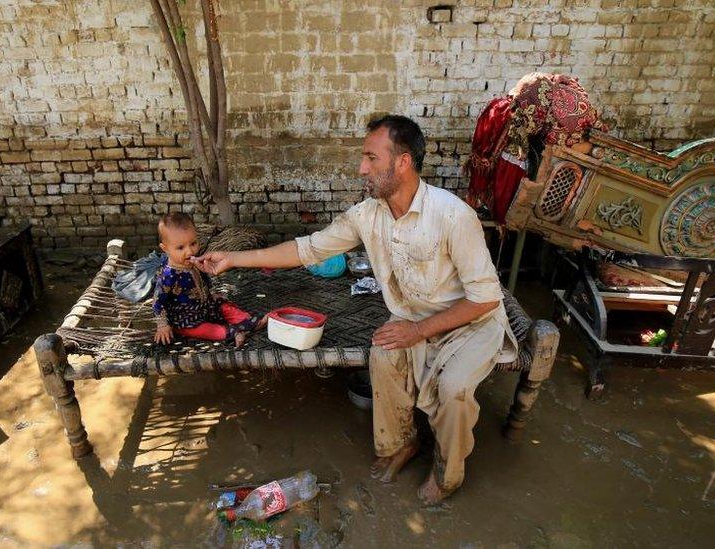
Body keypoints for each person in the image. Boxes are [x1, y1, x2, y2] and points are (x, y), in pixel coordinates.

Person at [193, 115, 517, 505]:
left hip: (471, 323)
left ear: (403, 162)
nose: (362, 168)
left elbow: (485, 298)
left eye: (371, 158)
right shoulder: (367, 215)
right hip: (414, 319)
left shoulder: (452, 215)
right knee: (383, 355)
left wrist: (419, 331)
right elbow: (307, 249)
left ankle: (447, 473)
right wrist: (232, 258)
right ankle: (401, 444)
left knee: (453, 389)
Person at [466, 72, 608, 224]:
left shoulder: (565, 122)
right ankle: (496, 209)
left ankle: (500, 212)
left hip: (577, 157)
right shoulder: (549, 100)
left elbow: (553, 141)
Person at [152, 212, 265, 349]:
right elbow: (158, 303)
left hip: (205, 306)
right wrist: (163, 325)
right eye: (181, 248)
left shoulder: (196, 261)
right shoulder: (167, 275)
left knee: (224, 305)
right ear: (165, 249)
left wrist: (210, 294)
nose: (190, 251)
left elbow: (204, 281)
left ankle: (248, 322)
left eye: (193, 243)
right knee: (209, 331)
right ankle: (233, 332)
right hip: (186, 320)